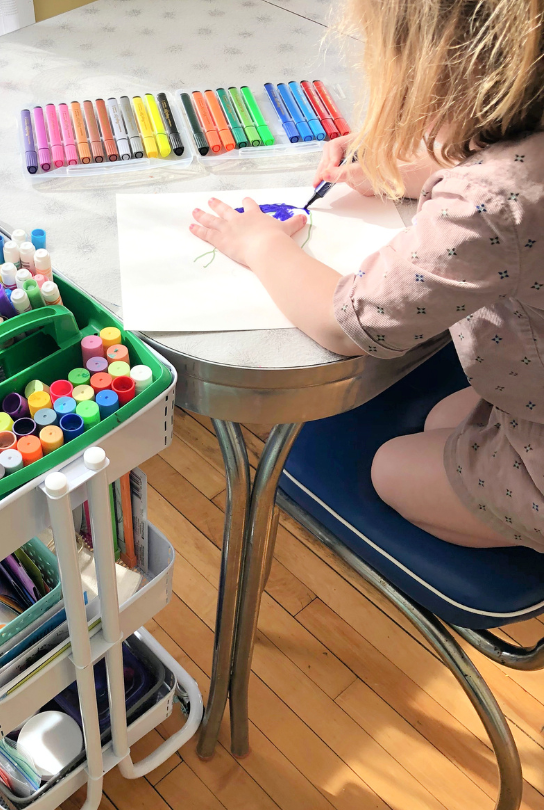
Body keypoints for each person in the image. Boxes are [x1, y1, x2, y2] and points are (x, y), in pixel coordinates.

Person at [189, 0, 544, 550]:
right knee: (442, 417)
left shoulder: (490, 201)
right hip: (527, 397)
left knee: (390, 468)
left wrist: (257, 243)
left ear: (445, 65)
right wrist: (435, 167)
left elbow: (351, 321)